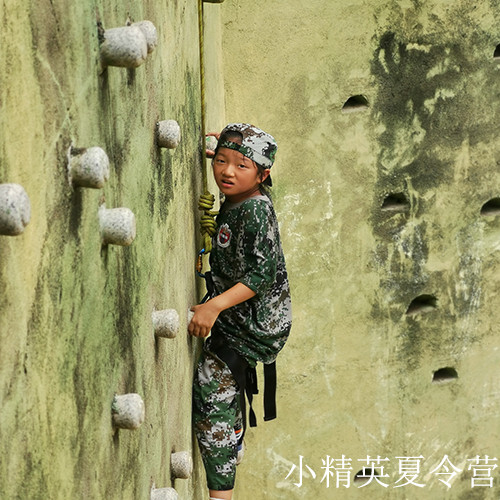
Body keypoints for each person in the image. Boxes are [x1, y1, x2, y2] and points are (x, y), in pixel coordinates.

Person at [188, 123, 292, 500]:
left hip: (254, 326)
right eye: (221, 161)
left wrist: (213, 306)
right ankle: (234, 433)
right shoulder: (238, 194)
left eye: (241, 166)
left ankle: (221, 494)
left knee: (211, 394)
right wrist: (223, 144)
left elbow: (261, 275)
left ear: (263, 175)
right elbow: (230, 150)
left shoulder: (256, 211)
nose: (227, 172)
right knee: (223, 384)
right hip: (240, 315)